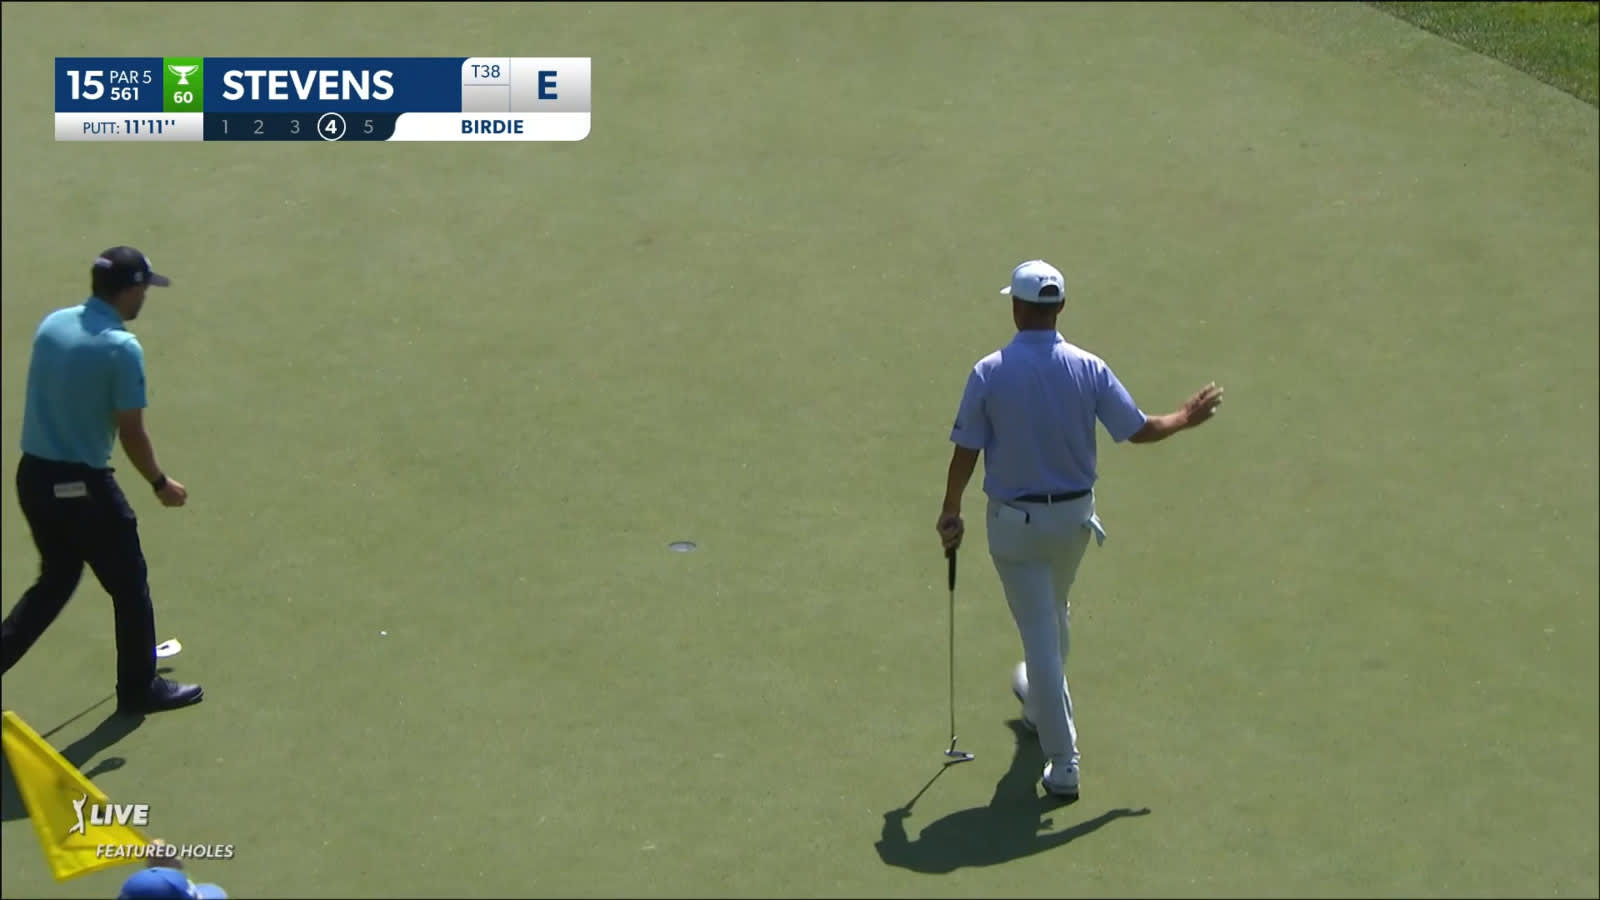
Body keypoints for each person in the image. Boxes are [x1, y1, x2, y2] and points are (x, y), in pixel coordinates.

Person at [936, 259, 1223, 799]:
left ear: (1017, 308)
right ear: (1060, 307)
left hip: (1015, 529)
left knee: (1041, 637)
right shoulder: (1089, 367)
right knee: (1053, 614)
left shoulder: (989, 371)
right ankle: (1038, 702)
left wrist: (951, 510)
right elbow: (1137, 429)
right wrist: (1185, 417)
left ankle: (1064, 760)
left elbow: (966, 451)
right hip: (1073, 524)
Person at [0, 246, 203, 715]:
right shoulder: (121, 348)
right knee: (129, 585)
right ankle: (139, 690)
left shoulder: (53, 324)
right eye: (144, 289)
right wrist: (160, 482)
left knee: (56, 580)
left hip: (33, 479)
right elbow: (131, 431)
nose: (145, 297)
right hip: (82, 489)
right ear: (129, 290)